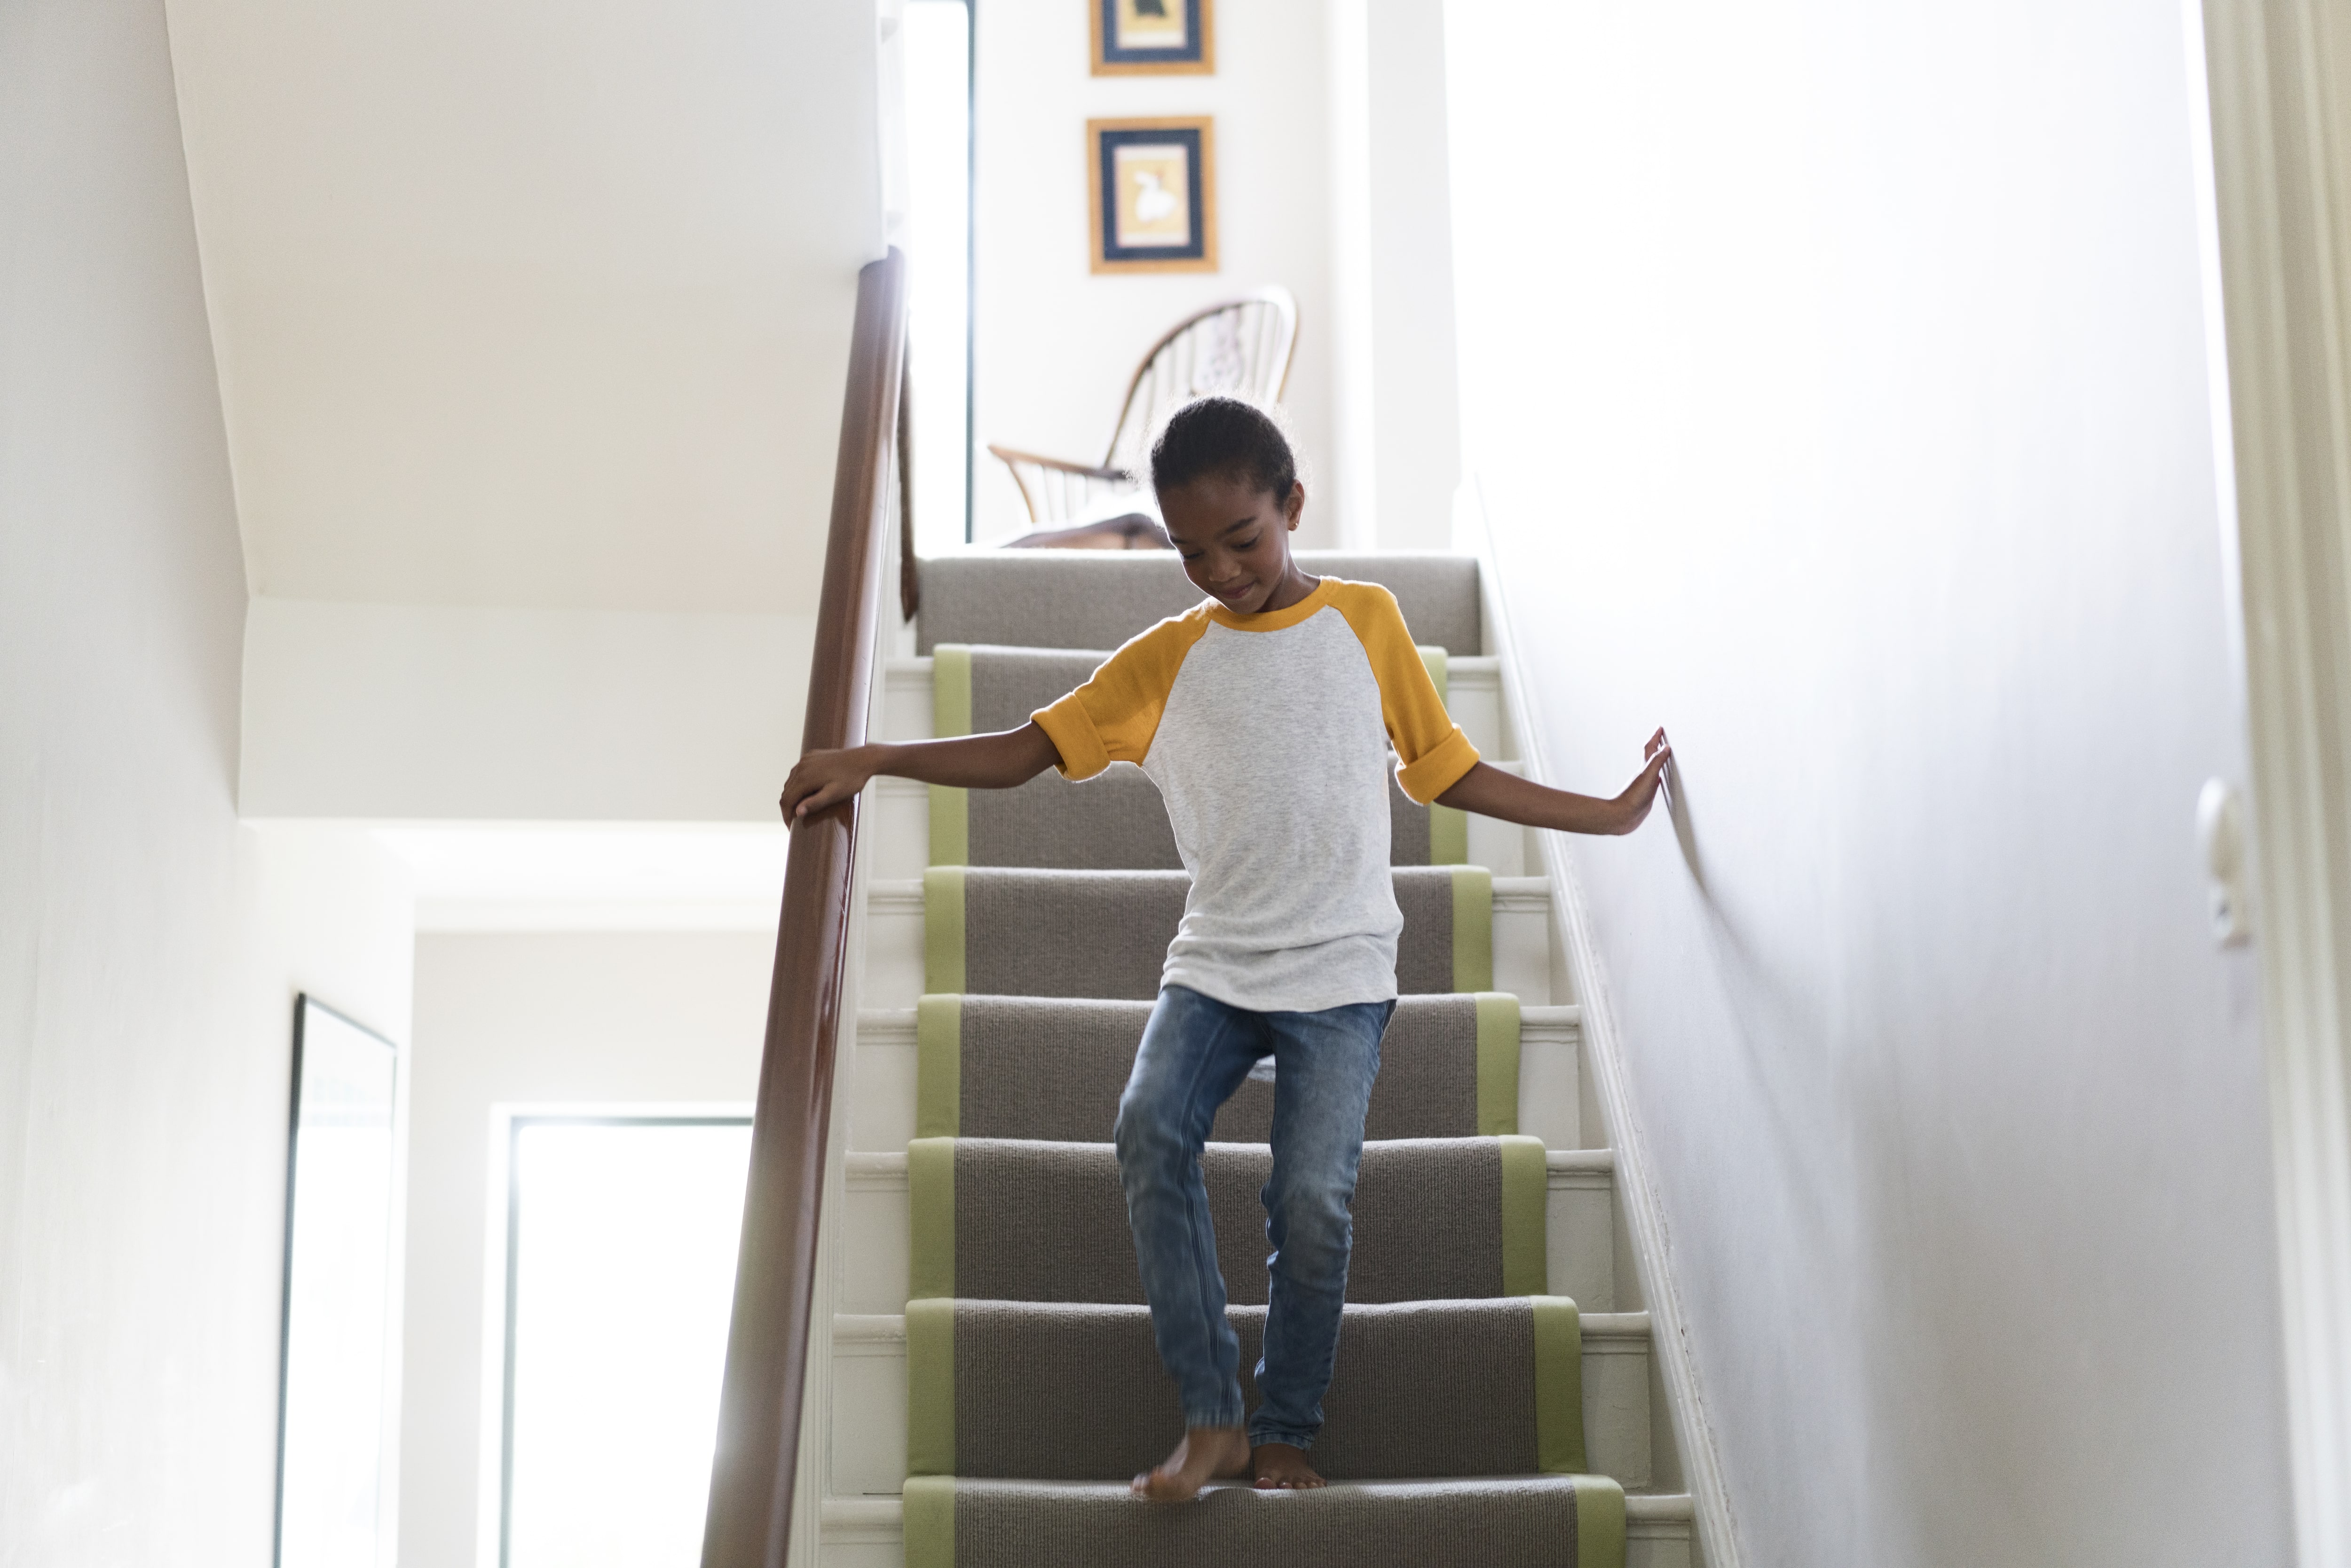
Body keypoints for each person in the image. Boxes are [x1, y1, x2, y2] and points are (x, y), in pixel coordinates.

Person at [779, 395, 1671, 1503]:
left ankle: (1284, 1426)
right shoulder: (1164, 660)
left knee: (1312, 1202)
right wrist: (874, 757)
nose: (1218, 570)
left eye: (1241, 540)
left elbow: (1446, 771)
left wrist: (1608, 813)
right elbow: (1023, 752)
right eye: (1190, 551)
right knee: (1149, 1127)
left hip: (1342, 976)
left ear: (1291, 506)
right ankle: (1213, 1420)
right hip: (1215, 967)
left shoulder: (1368, 621)